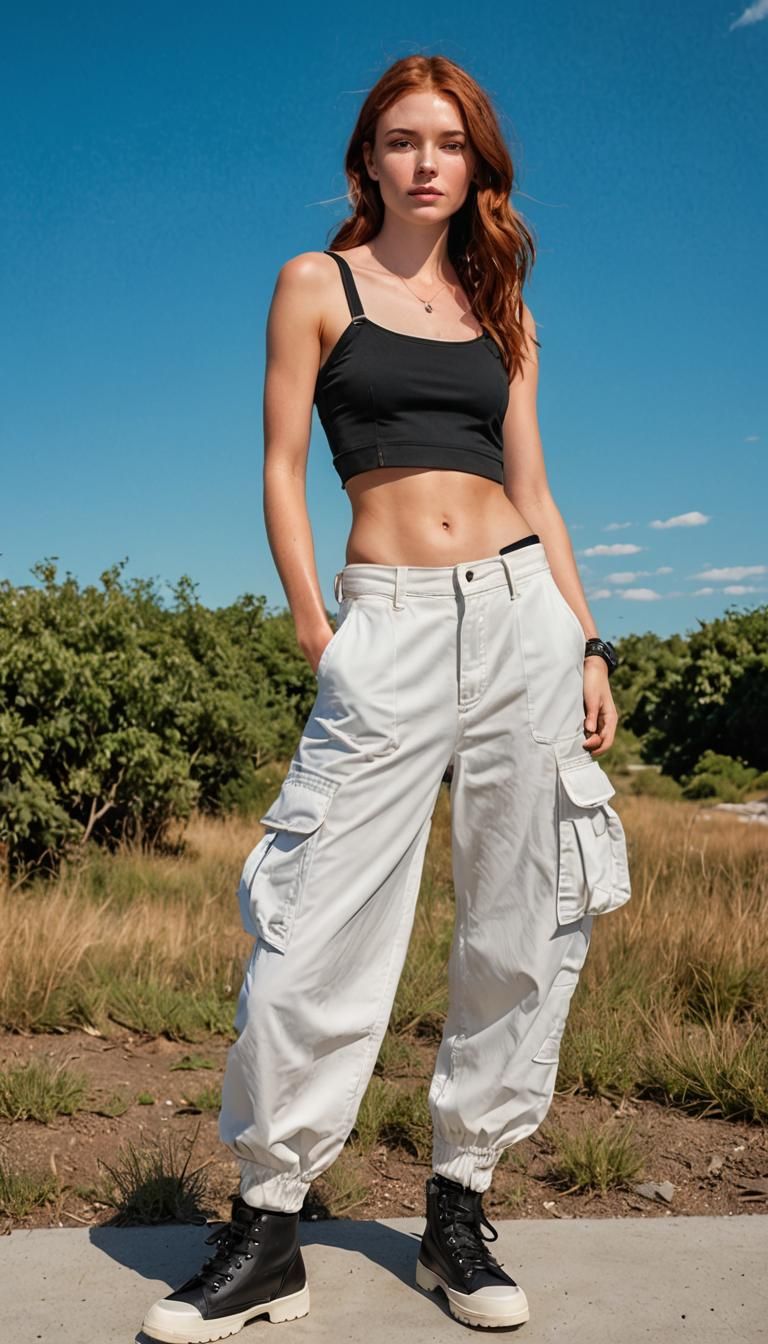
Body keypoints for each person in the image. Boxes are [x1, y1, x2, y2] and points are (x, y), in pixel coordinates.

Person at [142, 51, 631, 1344]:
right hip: (389, 624)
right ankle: (267, 1227)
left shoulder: (503, 306)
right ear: (366, 158)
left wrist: (588, 644)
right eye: (403, 140)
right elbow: (279, 458)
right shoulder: (317, 284)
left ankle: (459, 1208)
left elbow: (536, 488)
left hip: (522, 619)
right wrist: (318, 625)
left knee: (524, 924)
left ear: (478, 167)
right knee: (312, 926)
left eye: (451, 143)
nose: (427, 162)